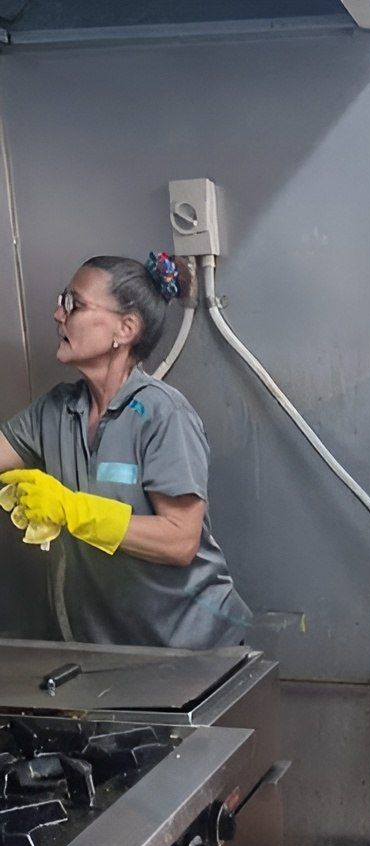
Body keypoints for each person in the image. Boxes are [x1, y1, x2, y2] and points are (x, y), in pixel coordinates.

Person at [0, 252, 252, 649]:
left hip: (193, 651)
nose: (56, 314)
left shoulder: (162, 414)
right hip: (111, 651)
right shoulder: (57, 410)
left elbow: (179, 540)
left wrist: (71, 509)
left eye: (74, 304)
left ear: (126, 328)